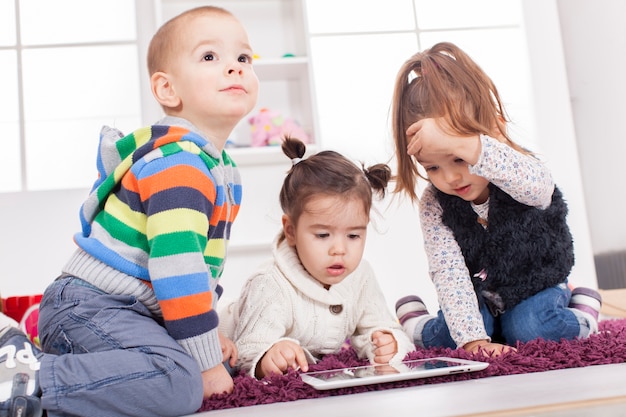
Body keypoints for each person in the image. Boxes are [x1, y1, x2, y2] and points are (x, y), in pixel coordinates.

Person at [0, 6, 258, 417]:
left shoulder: (219, 166)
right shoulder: (179, 163)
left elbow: (198, 270)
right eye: (211, 57)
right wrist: (205, 365)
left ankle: (37, 367)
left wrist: (209, 343)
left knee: (204, 362)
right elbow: (178, 269)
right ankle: (28, 380)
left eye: (243, 58)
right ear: (168, 90)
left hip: (128, 311)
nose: (234, 68)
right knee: (179, 382)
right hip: (88, 307)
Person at [390, 42, 602, 357]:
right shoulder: (435, 203)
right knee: (453, 336)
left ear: (495, 132)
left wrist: (469, 146)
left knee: (532, 330)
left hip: (536, 285)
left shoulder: (517, 170)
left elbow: (538, 188)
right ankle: (417, 324)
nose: (450, 178)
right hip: (482, 295)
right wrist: (474, 340)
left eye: (459, 158)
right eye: (432, 167)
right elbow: (449, 271)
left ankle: (583, 311)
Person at [219, 137, 415, 379]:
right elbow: (247, 350)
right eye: (323, 235)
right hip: (217, 330)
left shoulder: (360, 276)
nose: (339, 249)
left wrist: (388, 342)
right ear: (290, 231)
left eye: (353, 235)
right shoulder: (269, 283)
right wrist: (269, 355)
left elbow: (379, 326)